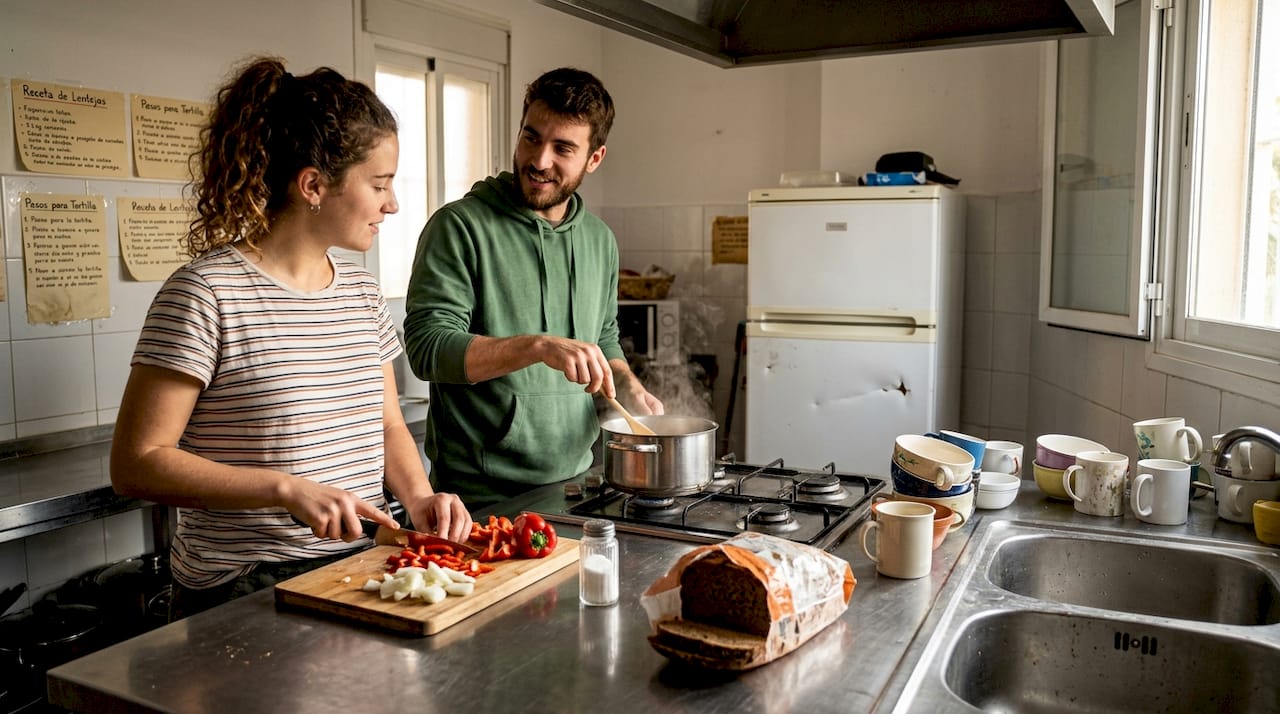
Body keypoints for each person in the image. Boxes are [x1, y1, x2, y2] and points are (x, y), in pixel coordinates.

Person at [111, 56, 471, 619]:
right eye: (379, 184)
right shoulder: (206, 293)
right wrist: (284, 489)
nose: (392, 203)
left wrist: (420, 497)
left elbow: (387, 426)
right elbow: (136, 464)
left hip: (358, 571)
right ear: (313, 185)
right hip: (243, 591)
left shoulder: (361, 292)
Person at [403, 67, 663, 508]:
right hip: (480, 500)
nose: (540, 160)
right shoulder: (460, 227)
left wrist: (627, 384)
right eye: (531, 138)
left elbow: (602, 337)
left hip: (578, 485)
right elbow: (428, 348)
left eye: (563, 148)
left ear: (594, 158)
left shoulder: (599, 240)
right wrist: (537, 346)